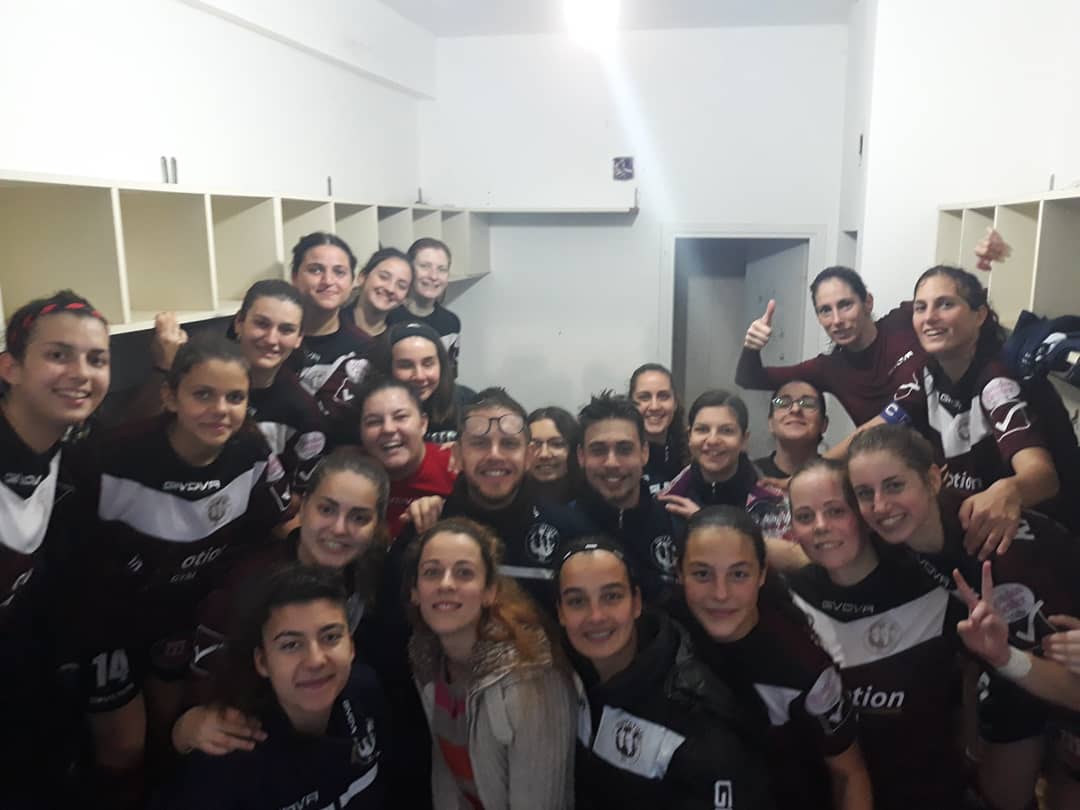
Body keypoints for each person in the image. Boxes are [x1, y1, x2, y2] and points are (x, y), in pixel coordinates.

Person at [63, 335, 292, 806]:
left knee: (170, 732)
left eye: (235, 397)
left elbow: (280, 527)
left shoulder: (251, 449)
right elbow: (65, 546)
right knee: (123, 749)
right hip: (107, 617)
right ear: (170, 397)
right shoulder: (113, 456)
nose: (220, 410)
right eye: (203, 394)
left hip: (184, 615)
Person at [846, 423, 1080, 810]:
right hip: (1010, 674)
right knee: (1000, 797)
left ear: (932, 479)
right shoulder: (887, 547)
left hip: (1068, 672)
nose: (881, 506)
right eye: (864, 493)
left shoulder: (997, 533)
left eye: (894, 486)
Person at [170, 446, 392, 758]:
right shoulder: (248, 587)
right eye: (326, 509)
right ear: (304, 506)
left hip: (328, 723)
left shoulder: (368, 569)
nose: (339, 528)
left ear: (376, 525)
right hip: (256, 737)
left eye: (359, 517)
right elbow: (201, 697)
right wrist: (189, 724)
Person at [786, 457, 971, 809]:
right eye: (805, 517)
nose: (821, 526)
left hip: (928, 792)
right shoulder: (789, 598)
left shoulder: (931, 585)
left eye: (836, 511)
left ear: (864, 515)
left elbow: (978, 673)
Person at [556, 536, 775, 809]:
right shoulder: (561, 678)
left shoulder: (695, 718)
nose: (596, 616)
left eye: (612, 596)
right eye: (577, 601)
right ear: (560, 612)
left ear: (636, 602)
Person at [677, 506, 872, 810]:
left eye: (739, 574)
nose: (720, 593)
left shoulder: (803, 668)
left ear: (761, 574)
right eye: (702, 574)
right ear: (679, 575)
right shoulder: (666, 633)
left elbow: (849, 775)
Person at [0, 290, 111, 806]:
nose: (81, 373)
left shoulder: (74, 456)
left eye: (96, 359)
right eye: (58, 354)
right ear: (10, 368)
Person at [159, 565, 386, 809]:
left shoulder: (365, 692)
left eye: (330, 637)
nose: (315, 660)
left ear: (351, 646)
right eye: (291, 645)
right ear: (263, 662)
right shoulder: (228, 761)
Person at [406, 517, 576, 810]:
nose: (446, 584)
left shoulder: (531, 677)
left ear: (489, 592)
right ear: (415, 592)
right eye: (432, 572)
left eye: (464, 573)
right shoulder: (427, 659)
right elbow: (447, 782)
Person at [736, 266, 925, 426]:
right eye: (825, 310)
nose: (836, 320)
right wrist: (751, 346)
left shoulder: (904, 320)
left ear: (867, 303)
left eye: (845, 305)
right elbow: (748, 378)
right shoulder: (829, 369)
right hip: (883, 455)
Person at [573, 392, 681, 602]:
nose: (611, 463)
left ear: (644, 453)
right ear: (581, 456)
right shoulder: (561, 527)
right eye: (598, 450)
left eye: (624, 449)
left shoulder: (676, 526)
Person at [660, 390, 792, 547]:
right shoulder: (669, 498)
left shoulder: (771, 503)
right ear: (689, 436)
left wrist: (705, 523)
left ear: (744, 440)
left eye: (726, 431)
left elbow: (785, 559)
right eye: (702, 429)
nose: (713, 440)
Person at [287, 232, 375, 426]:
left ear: (351, 282)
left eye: (339, 272)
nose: (328, 281)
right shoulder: (275, 341)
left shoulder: (366, 349)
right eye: (316, 270)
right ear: (294, 277)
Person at [358, 378, 456, 539]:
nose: (388, 429)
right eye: (374, 421)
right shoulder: (350, 474)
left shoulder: (455, 467)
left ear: (423, 424)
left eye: (400, 417)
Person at [376, 321, 476, 444]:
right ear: (388, 368)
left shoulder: (468, 402)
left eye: (428, 364)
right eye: (406, 365)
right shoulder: (374, 410)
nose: (419, 376)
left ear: (441, 365)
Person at [387, 237, 462, 374]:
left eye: (442, 269)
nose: (434, 276)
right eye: (425, 266)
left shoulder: (450, 323)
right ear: (409, 270)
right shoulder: (387, 318)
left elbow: (449, 375)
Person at [628, 363, 689, 494]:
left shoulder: (690, 454)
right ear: (631, 404)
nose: (654, 406)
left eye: (663, 396)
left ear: (675, 403)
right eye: (644, 397)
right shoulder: (620, 457)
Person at [754, 380, 828, 478]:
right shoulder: (749, 475)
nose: (795, 409)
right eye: (783, 403)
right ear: (771, 423)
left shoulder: (840, 478)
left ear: (824, 424)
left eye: (808, 403)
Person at [341, 247, 414, 338]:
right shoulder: (332, 324)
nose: (390, 289)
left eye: (401, 286)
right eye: (384, 277)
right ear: (362, 277)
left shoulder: (401, 338)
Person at [526, 405, 583, 505]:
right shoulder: (508, 503)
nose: (544, 454)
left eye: (557, 444)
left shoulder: (593, 503)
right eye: (535, 445)